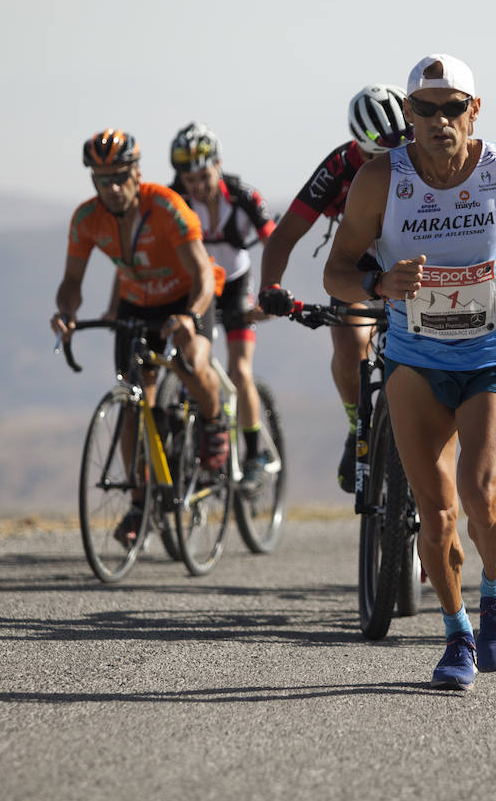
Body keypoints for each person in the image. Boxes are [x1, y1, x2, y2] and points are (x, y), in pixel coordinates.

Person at [323, 54, 496, 691]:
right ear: (409, 115)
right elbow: (336, 271)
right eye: (426, 110)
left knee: (481, 496)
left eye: (453, 108)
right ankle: (456, 631)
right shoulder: (382, 180)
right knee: (434, 518)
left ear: (475, 110)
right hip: (415, 360)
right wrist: (379, 283)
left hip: (491, 356)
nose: (440, 121)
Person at [51, 129, 228, 543]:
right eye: (101, 179)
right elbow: (71, 282)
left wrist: (189, 316)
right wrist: (65, 313)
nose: (111, 187)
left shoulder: (166, 206)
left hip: (189, 296)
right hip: (137, 302)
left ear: (137, 172)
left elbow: (203, 273)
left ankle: (215, 423)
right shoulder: (86, 219)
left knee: (191, 360)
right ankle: (140, 502)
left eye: (119, 176)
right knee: (133, 399)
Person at [257, 84, 414, 492]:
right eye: (378, 158)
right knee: (348, 344)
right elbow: (285, 233)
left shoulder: (422, 157)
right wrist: (270, 285)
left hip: (416, 258)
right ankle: (357, 422)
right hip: (361, 261)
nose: (391, 166)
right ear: (359, 149)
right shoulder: (339, 167)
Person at [167, 122, 277, 490]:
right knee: (188, 363)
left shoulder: (244, 196)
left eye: (203, 175)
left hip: (234, 288)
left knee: (240, 369)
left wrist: (270, 293)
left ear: (218, 164)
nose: (196, 185)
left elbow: (274, 244)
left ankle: (254, 453)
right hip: (199, 289)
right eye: (188, 178)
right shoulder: (175, 198)